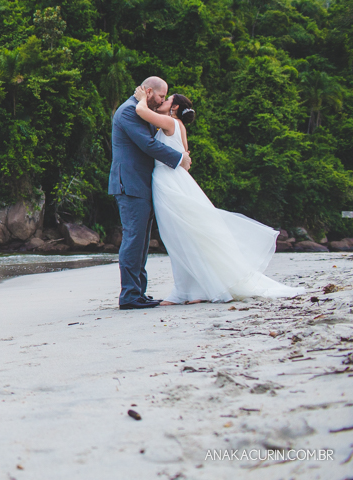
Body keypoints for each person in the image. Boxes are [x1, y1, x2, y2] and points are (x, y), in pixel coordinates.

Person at [133, 88, 305, 303]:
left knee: (178, 236)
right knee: (184, 236)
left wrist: (141, 98)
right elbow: (185, 156)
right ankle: (195, 290)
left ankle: (187, 292)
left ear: (175, 107)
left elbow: (141, 111)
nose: (164, 102)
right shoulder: (179, 126)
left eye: (168, 100)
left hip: (169, 182)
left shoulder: (170, 122)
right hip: (176, 180)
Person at [109, 77, 191, 310]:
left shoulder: (140, 111)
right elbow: (148, 145)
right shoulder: (128, 112)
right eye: (162, 96)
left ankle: (138, 292)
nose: (163, 100)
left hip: (142, 184)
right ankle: (129, 295)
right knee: (134, 238)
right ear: (149, 92)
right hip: (130, 184)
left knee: (142, 241)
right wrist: (179, 159)